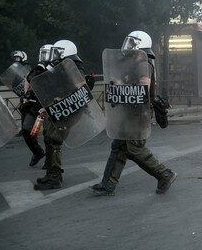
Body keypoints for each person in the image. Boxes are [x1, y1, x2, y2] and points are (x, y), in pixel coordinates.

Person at [90, 30, 176, 196]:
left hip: (138, 115)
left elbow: (143, 88)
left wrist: (121, 85)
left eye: (131, 43)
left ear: (140, 45)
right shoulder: (135, 65)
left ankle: (164, 174)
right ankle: (108, 183)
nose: (127, 46)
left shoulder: (143, 64)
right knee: (119, 147)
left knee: (134, 148)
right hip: (130, 113)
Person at [34, 40, 85, 190]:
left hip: (71, 109)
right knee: (50, 139)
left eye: (57, 52)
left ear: (66, 52)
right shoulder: (62, 67)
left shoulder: (74, 67)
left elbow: (78, 89)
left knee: (54, 139)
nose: (54, 56)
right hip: (60, 108)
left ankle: (54, 177)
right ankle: (51, 174)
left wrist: (60, 99)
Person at [14, 49, 46, 167]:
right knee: (27, 132)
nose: (16, 60)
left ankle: (46, 159)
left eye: (18, 58)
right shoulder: (23, 70)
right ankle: (37, 152)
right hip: (27, 103)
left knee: (44, 134)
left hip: (37, 104)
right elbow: (18, 85)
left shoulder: (29, 68)